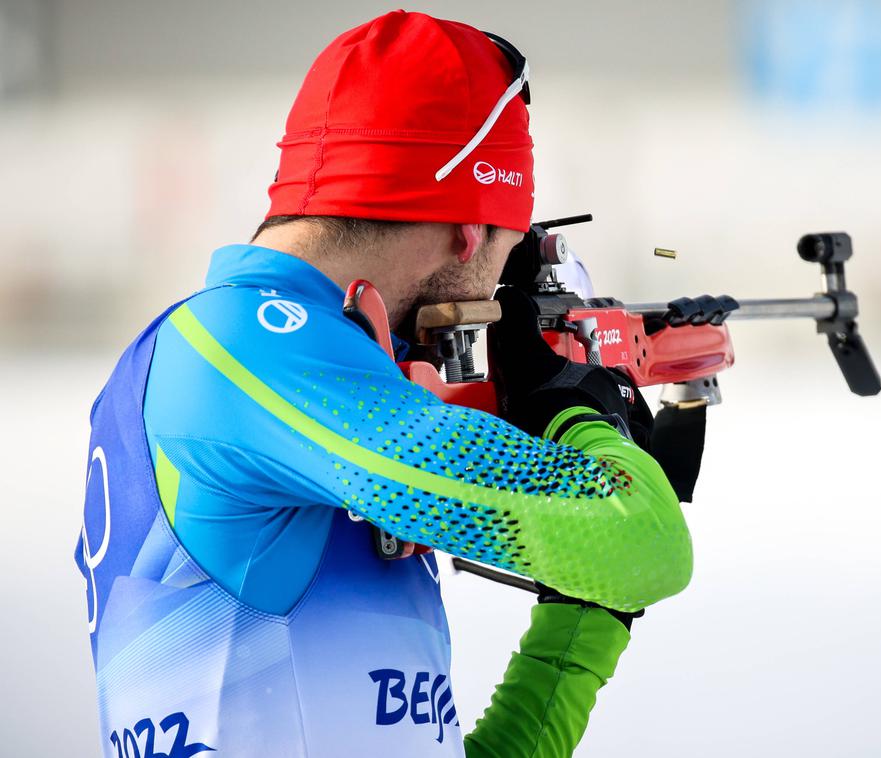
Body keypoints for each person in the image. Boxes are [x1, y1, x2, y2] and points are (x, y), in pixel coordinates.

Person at [74, 10, 692, 757]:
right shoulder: (243, 347)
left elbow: (625, 558)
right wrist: (572, 408)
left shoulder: (258, 359)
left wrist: (583, 617)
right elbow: (645, 542)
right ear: (470, 228)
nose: (500, 283)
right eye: (509, 244)